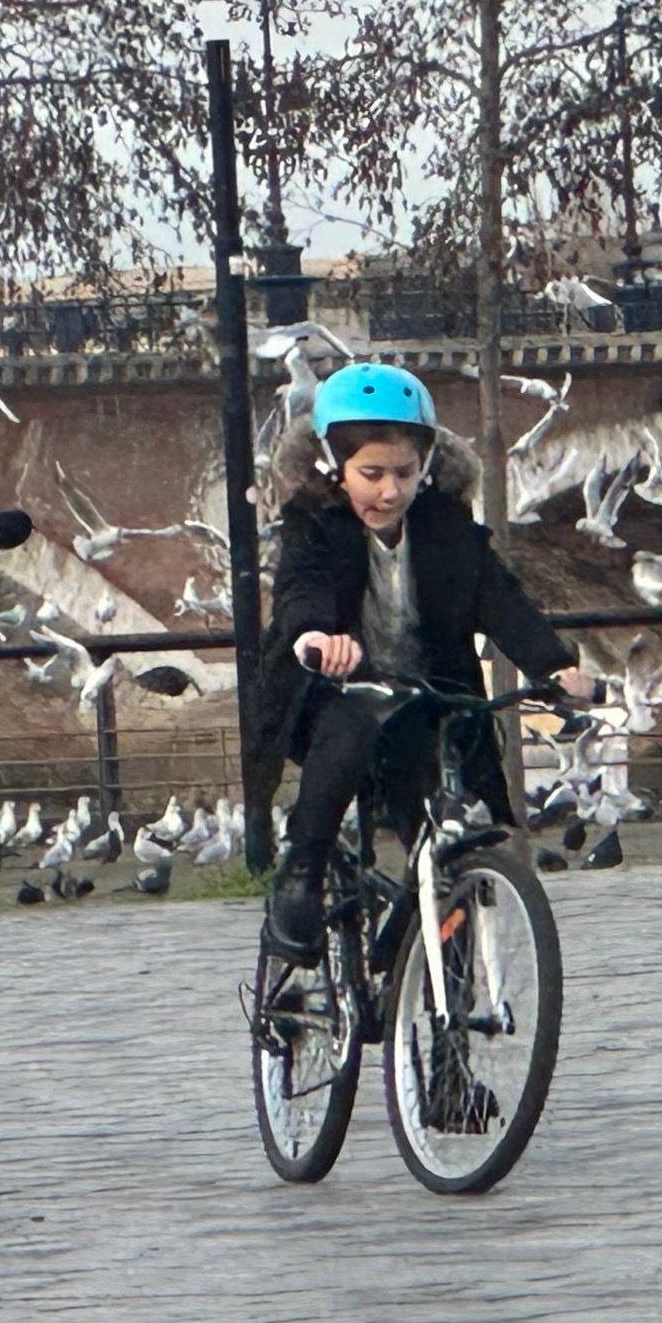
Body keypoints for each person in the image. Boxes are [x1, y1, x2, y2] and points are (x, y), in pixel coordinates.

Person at [253, 364, 595, 965]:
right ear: (335, 469)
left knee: (437, 828)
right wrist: (315, 637)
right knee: (351, 726)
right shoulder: (314, 526)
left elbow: (496, 597)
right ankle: (301, 872)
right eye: (372, 474)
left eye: (405, 474)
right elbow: (300, 592)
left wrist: (555, 665)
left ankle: (443, 984)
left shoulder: (445, 528)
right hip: (335, 690)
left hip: (424, 692)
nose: (389, 491)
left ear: (426, 468)